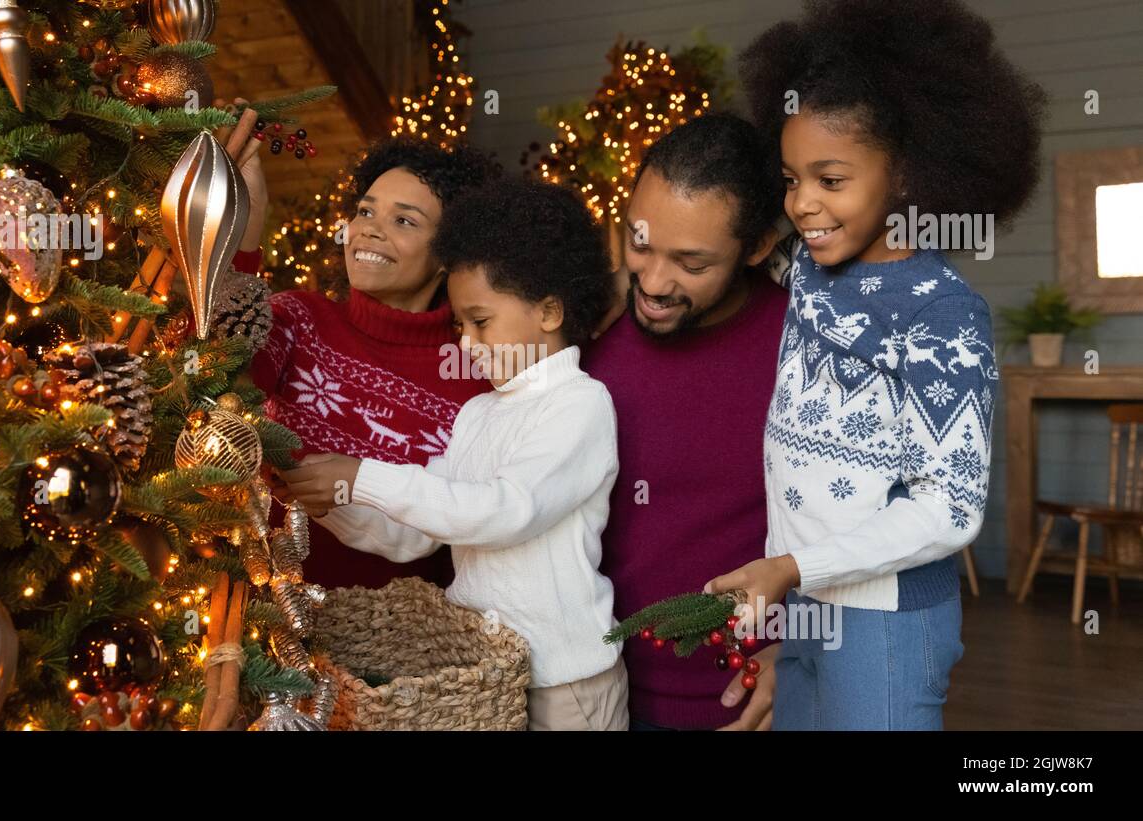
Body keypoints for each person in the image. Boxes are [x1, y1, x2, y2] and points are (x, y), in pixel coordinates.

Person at [704, 0, 1045, 730]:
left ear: (908, 172)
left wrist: (792, 569)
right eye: (792, 178)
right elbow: (720, 253)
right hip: (803, 603)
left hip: (885, 622)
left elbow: (948, 507)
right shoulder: (807, 269)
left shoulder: (943, 314)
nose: (803, 204)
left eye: (831, 179)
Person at [279, 179, 629, 730]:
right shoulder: (478, 415)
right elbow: (413, 534)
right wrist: (329, 497)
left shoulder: (579, 406)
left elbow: (502, 512)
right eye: (460, 325)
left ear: (550, 311)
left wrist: (362, 475)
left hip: (566, 685)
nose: (465, 343)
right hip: (486, 675)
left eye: (481, 322)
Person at [583, 113, 791, 730]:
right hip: (597, 696)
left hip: (744, 701)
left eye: (691, 264)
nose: (652, 280)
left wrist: (805, 651)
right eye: (639, 243)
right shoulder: (578, 333)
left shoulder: (804, 344)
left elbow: (866, 521)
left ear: (755, 247)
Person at [233, 137, 498, 589]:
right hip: (254, 628)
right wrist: (247, 227)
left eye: (403, 221)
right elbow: (224, 371)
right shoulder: (296, 319)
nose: (370, 230)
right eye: (365, 211)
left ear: (448, 255)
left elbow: (454, 525)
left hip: (392, 642)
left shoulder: (475, 382)